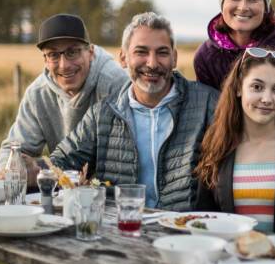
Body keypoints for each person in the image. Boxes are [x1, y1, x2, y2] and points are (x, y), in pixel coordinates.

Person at [49, 12, 218, 210]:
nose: (152, 63)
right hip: (122, 228)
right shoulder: (102, 114)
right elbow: (59, 162)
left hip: (185, 231)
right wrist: (34, 169)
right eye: (141, 52)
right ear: (123, 58)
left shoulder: (207, 103)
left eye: (162, 53)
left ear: (174, 58)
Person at [195, 47, 275, 233]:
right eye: (257, 87)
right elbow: (203, 218)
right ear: (238, 87)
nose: (267, 99)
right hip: (230, 259)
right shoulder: (217, 143)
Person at [0, 13, 128, 183]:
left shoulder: (115, 84)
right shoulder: (38, 94)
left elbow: (123, 158)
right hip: (62, 186)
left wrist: (42, 169)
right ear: (45, 59)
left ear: (91, 52)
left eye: (72, 52)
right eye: (53, 55)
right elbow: (12, 148)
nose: (64, 65)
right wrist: (8, 172)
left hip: (108, 190)